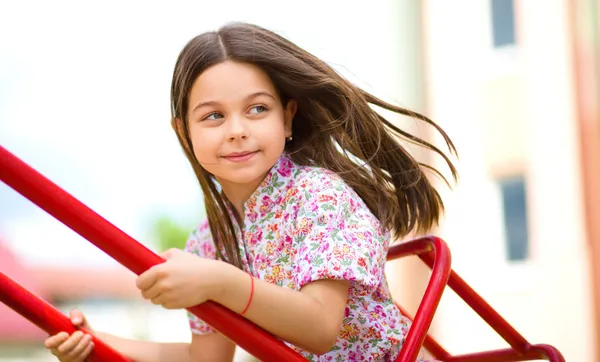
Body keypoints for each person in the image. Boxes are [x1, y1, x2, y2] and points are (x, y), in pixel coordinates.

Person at [44, 22, 457, 362]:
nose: (238, 129)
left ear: (287, 117)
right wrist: (98, 343)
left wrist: (220, 282)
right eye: (214, 116)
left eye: (257, 108)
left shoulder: (320, 197)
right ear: (183, 134)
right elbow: (204, 360)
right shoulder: (209, 242)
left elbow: (320, 328)